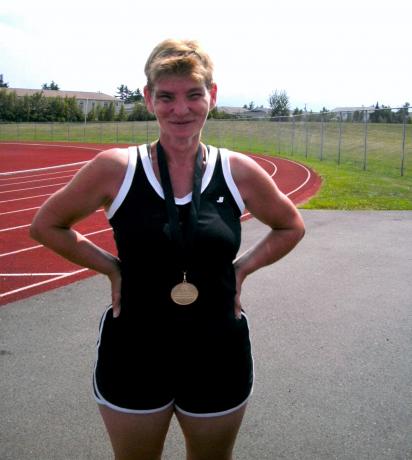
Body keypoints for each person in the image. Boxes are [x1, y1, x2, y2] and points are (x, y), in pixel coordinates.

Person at [30, 38, 305, 460]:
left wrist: (241, 270)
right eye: (167, 96)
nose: (181, 109)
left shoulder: (237, 172)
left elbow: (290, 226)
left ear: (211, 96)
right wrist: (112, 268)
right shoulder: (116, 168)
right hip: (136, 350)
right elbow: (46, 224)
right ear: (148, 99)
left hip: (217, 349)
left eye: (193, 94)